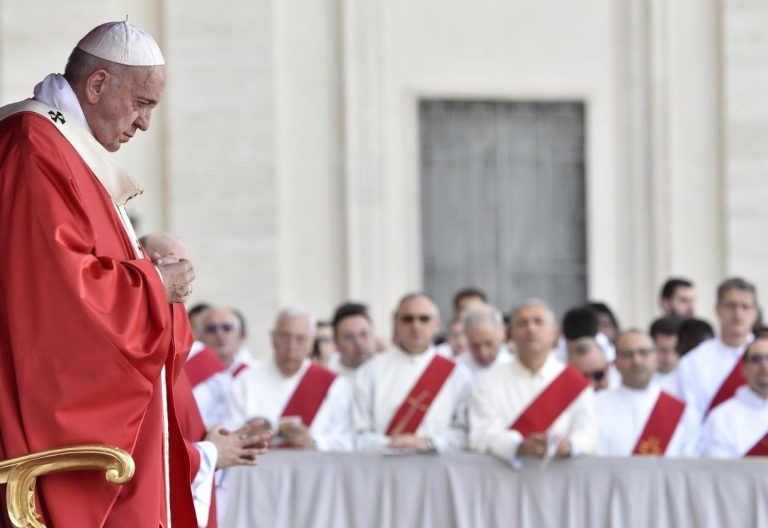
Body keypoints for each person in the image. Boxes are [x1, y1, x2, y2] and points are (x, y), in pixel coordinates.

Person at [0, 21, 199, 527]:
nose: (144, 124)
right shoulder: (32, 144)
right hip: (45, 421)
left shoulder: (65, 147)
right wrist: (155, 286)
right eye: (141, 104)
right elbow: (54, 291)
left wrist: (150, 284)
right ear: (97, 85)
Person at [469, 300, 598, 466]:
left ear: (554, 333)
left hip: (558, 474)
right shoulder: (487, 381)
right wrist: (517, 446)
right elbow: (481, 434)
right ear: (511, 333)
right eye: (523, 323)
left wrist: (570, 444)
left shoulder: (575, 382)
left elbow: (589, 433)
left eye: (538, 322)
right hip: (506, 477)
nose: (531, 329)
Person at [353, 293, 472, 452]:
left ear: (437, 324)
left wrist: (430, 443)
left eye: (424, 319)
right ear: (395, 323)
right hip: (384, 462)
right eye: (407, 319)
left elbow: (464, 432)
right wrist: (390, 444)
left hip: (436, 463)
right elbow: (358, 432)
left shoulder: (458, 375)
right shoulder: (369, 371)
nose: (415, 326)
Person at [223, 306, 353, 452]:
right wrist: (248, 436)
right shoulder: (245, 381)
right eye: (285, 337)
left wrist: (314, 442)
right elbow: (229, 434)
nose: (292, 347)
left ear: (311, 342)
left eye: (300, 339)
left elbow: (345, 442)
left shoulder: (334, 385)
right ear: (273, 338)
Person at [596, 330, 697, 457]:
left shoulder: (682, 412)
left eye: (644, 353)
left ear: (656, 358)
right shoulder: (596, 405)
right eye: (628, 354)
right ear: (615, 362)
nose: (637, 361)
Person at [676, 277, 759, 419]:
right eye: (731, 306)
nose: (738, 314)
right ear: (717, 309)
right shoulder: (694, 361)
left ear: (755, 312)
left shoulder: (764, 356)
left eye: (745, 306)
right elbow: (689, 417)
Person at [698, 332, 768, 457]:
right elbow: (717, 467)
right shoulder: (721, 418)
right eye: (757, 359)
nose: (764, 365)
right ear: (744, 369)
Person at [458, 303, 512, 375]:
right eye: (475, 346)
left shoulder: (518, 367)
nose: (483, 353)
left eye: (489, 344)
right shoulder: (456, 371)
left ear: (503, 334)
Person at [328, 302, 377, 378]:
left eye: (364, 334)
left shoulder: (389, 374)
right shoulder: (330, 380)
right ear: (336, 343)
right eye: (349, 337)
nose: (359, 343)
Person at [649, 315, 683, 393]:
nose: (668, 358)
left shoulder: (693, 379)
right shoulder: (637, 379)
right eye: (662, 350)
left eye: (675, 350)